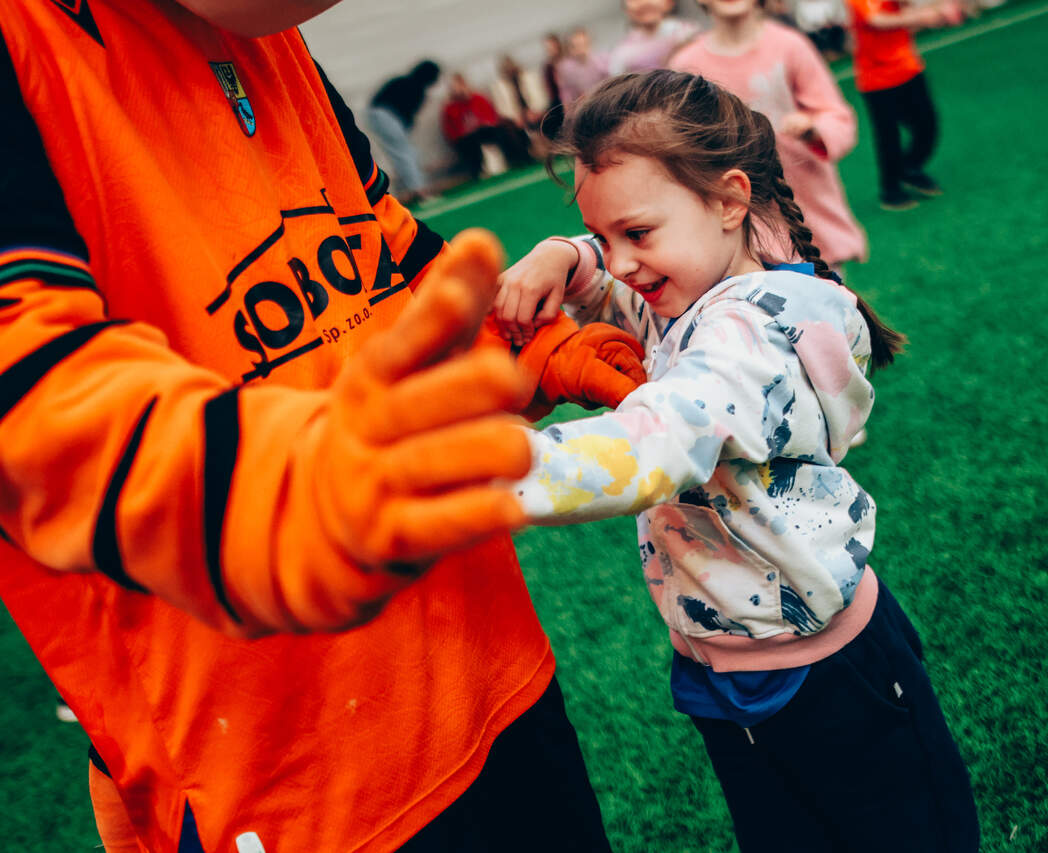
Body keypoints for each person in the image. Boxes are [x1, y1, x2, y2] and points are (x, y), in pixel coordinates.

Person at [0, 0, 643, 850]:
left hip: (486, 663)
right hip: (280, 779)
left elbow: (385, 254)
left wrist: (529, 344)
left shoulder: (272, 35)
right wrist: (253, 490)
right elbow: (30, 386)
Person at [493, 69, 980, 853]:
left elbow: (652, 447)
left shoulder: (747, 335)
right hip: (723, 666)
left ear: (728, 200)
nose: (620, 263)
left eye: (637, 233)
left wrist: (471, 464)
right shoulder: (688, 284)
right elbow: (617, 280)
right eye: (604, 237)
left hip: (829, 671)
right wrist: (563, 256)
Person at [670, 0, 867, 267]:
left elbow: (835, 115)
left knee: (825, 283)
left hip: (805, 201)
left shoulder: (789, 45)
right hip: (740, 208)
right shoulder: (687, 65)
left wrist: (812, 129)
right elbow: (681, 142)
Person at [846, 0, 967, 209]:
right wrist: (923, 16)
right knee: (888, 138)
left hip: (908, 67)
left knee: (927, 124)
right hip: (877, 79)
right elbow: (876, 20)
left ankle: (909, 168)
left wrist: (937, 11)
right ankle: (890, 191)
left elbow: (907, 7)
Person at [364, 59, 441, 204]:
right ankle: (420, 190)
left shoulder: (400, 80)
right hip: (387, 116)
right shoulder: (418, 90)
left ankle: (414, 189)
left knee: (401, 154)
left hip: (376, 115)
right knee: (405, 154)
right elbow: (408, 118)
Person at [441, 71, 536, 181]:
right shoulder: (450, 108)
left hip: (483, 130)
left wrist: (485, 123)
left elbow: (492, 117)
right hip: (466, 137)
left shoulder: (478, 98)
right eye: (455, 87)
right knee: (469, 144)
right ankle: (477, 171)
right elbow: (451, 131)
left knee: (502, 132)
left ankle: (517, 159)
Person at [609, 0, 701, 76]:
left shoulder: (688, 34)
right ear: (626, 9)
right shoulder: (623, 51)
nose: (644, 3)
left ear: (669, 2)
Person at [555, 27, 611, 112]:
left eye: (583, 44)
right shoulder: (565, 67)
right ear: (570, 48)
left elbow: (609, 79)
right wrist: (568, 111)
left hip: (604, 101)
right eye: (575, 46)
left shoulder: (601, 59)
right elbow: (566, 93)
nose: (580, 49)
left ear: (589, 44)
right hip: (583, 107)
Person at [540, 33, 568, 140]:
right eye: (548, 48)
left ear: (557, 45)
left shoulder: (567, 60)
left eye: (551, 46)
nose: (550, 50)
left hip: (569, 97)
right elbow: (550, 89)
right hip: (557, 100)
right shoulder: (548, 66)